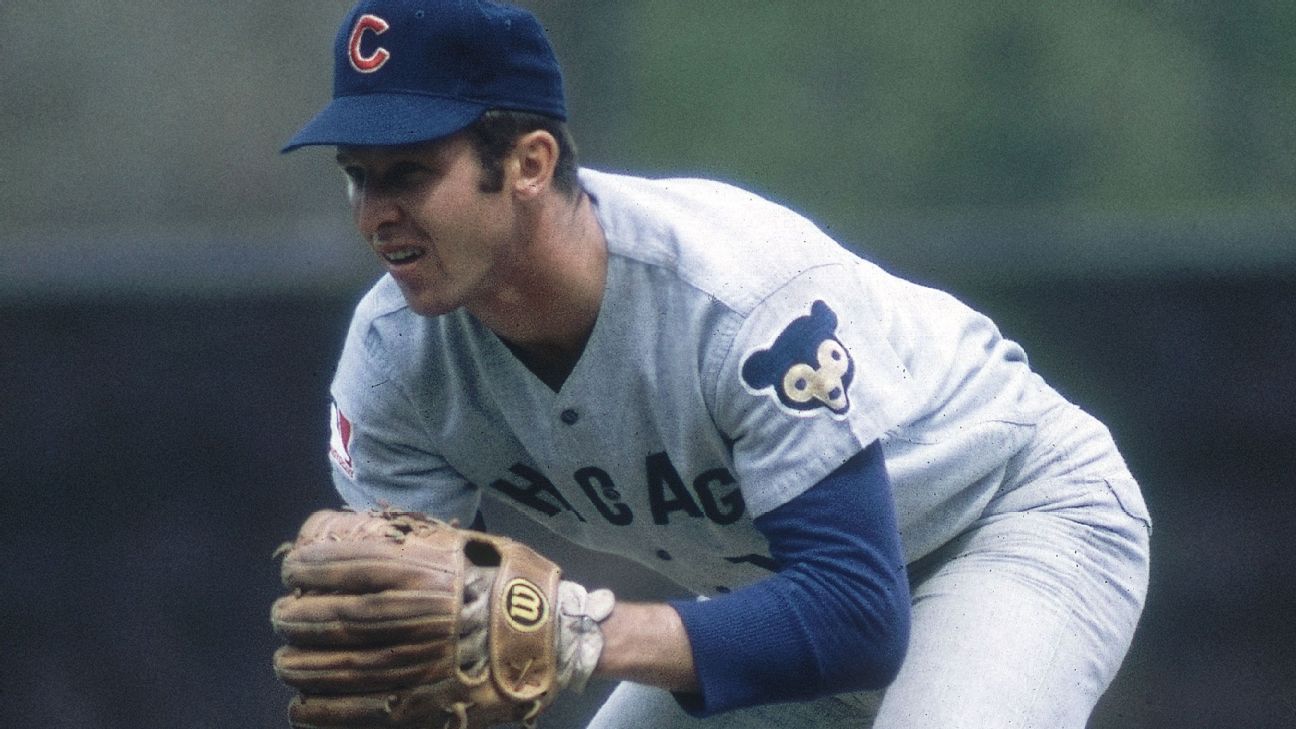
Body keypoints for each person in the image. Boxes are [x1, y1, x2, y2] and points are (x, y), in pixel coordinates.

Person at [280, 0, 1152, 726]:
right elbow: (402, 645)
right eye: (357, 174)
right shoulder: (394, 363)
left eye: (409, 172)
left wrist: (576, 631)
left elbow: (855, 615)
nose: (374, 213)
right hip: (777, 596)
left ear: (529, 163)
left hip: (1001, 522)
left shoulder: (735, 297)